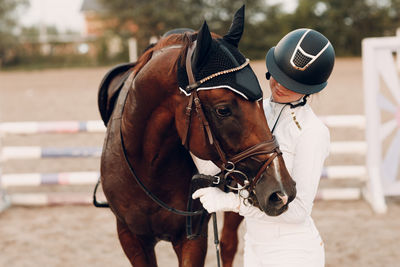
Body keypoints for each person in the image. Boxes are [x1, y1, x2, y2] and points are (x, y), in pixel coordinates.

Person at [192, 28, 335, 267]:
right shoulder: (256, 111)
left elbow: (298, 210)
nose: (279, 86)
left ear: (310, 89)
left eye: (291, 84)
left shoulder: (312, 132)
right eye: (277, 76)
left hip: (293, 253)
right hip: (254, 247)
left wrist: (231, 203)